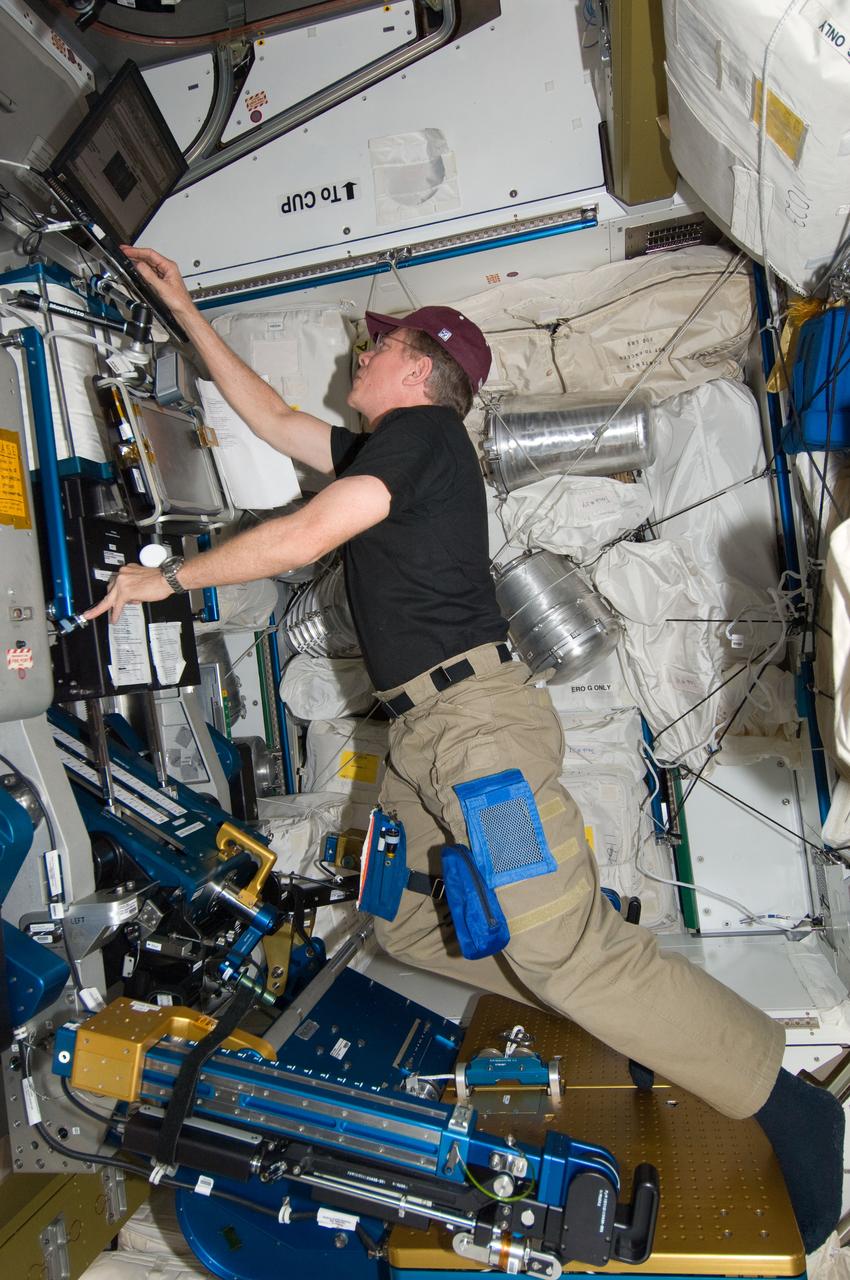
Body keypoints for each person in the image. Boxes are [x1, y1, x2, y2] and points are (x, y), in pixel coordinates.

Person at [87, 246, 844, 1253]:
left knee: (559, 946)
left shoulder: (424, 436)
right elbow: (270, 417)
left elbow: (307, 536)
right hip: (428, 736)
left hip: (478, 738)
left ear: (417, 366)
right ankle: (598, 976)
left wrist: (169, 580)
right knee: (401, 920)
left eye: (374, 350)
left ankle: (790, 1103)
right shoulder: (395, 447)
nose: (358, 360)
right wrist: (183, 307)